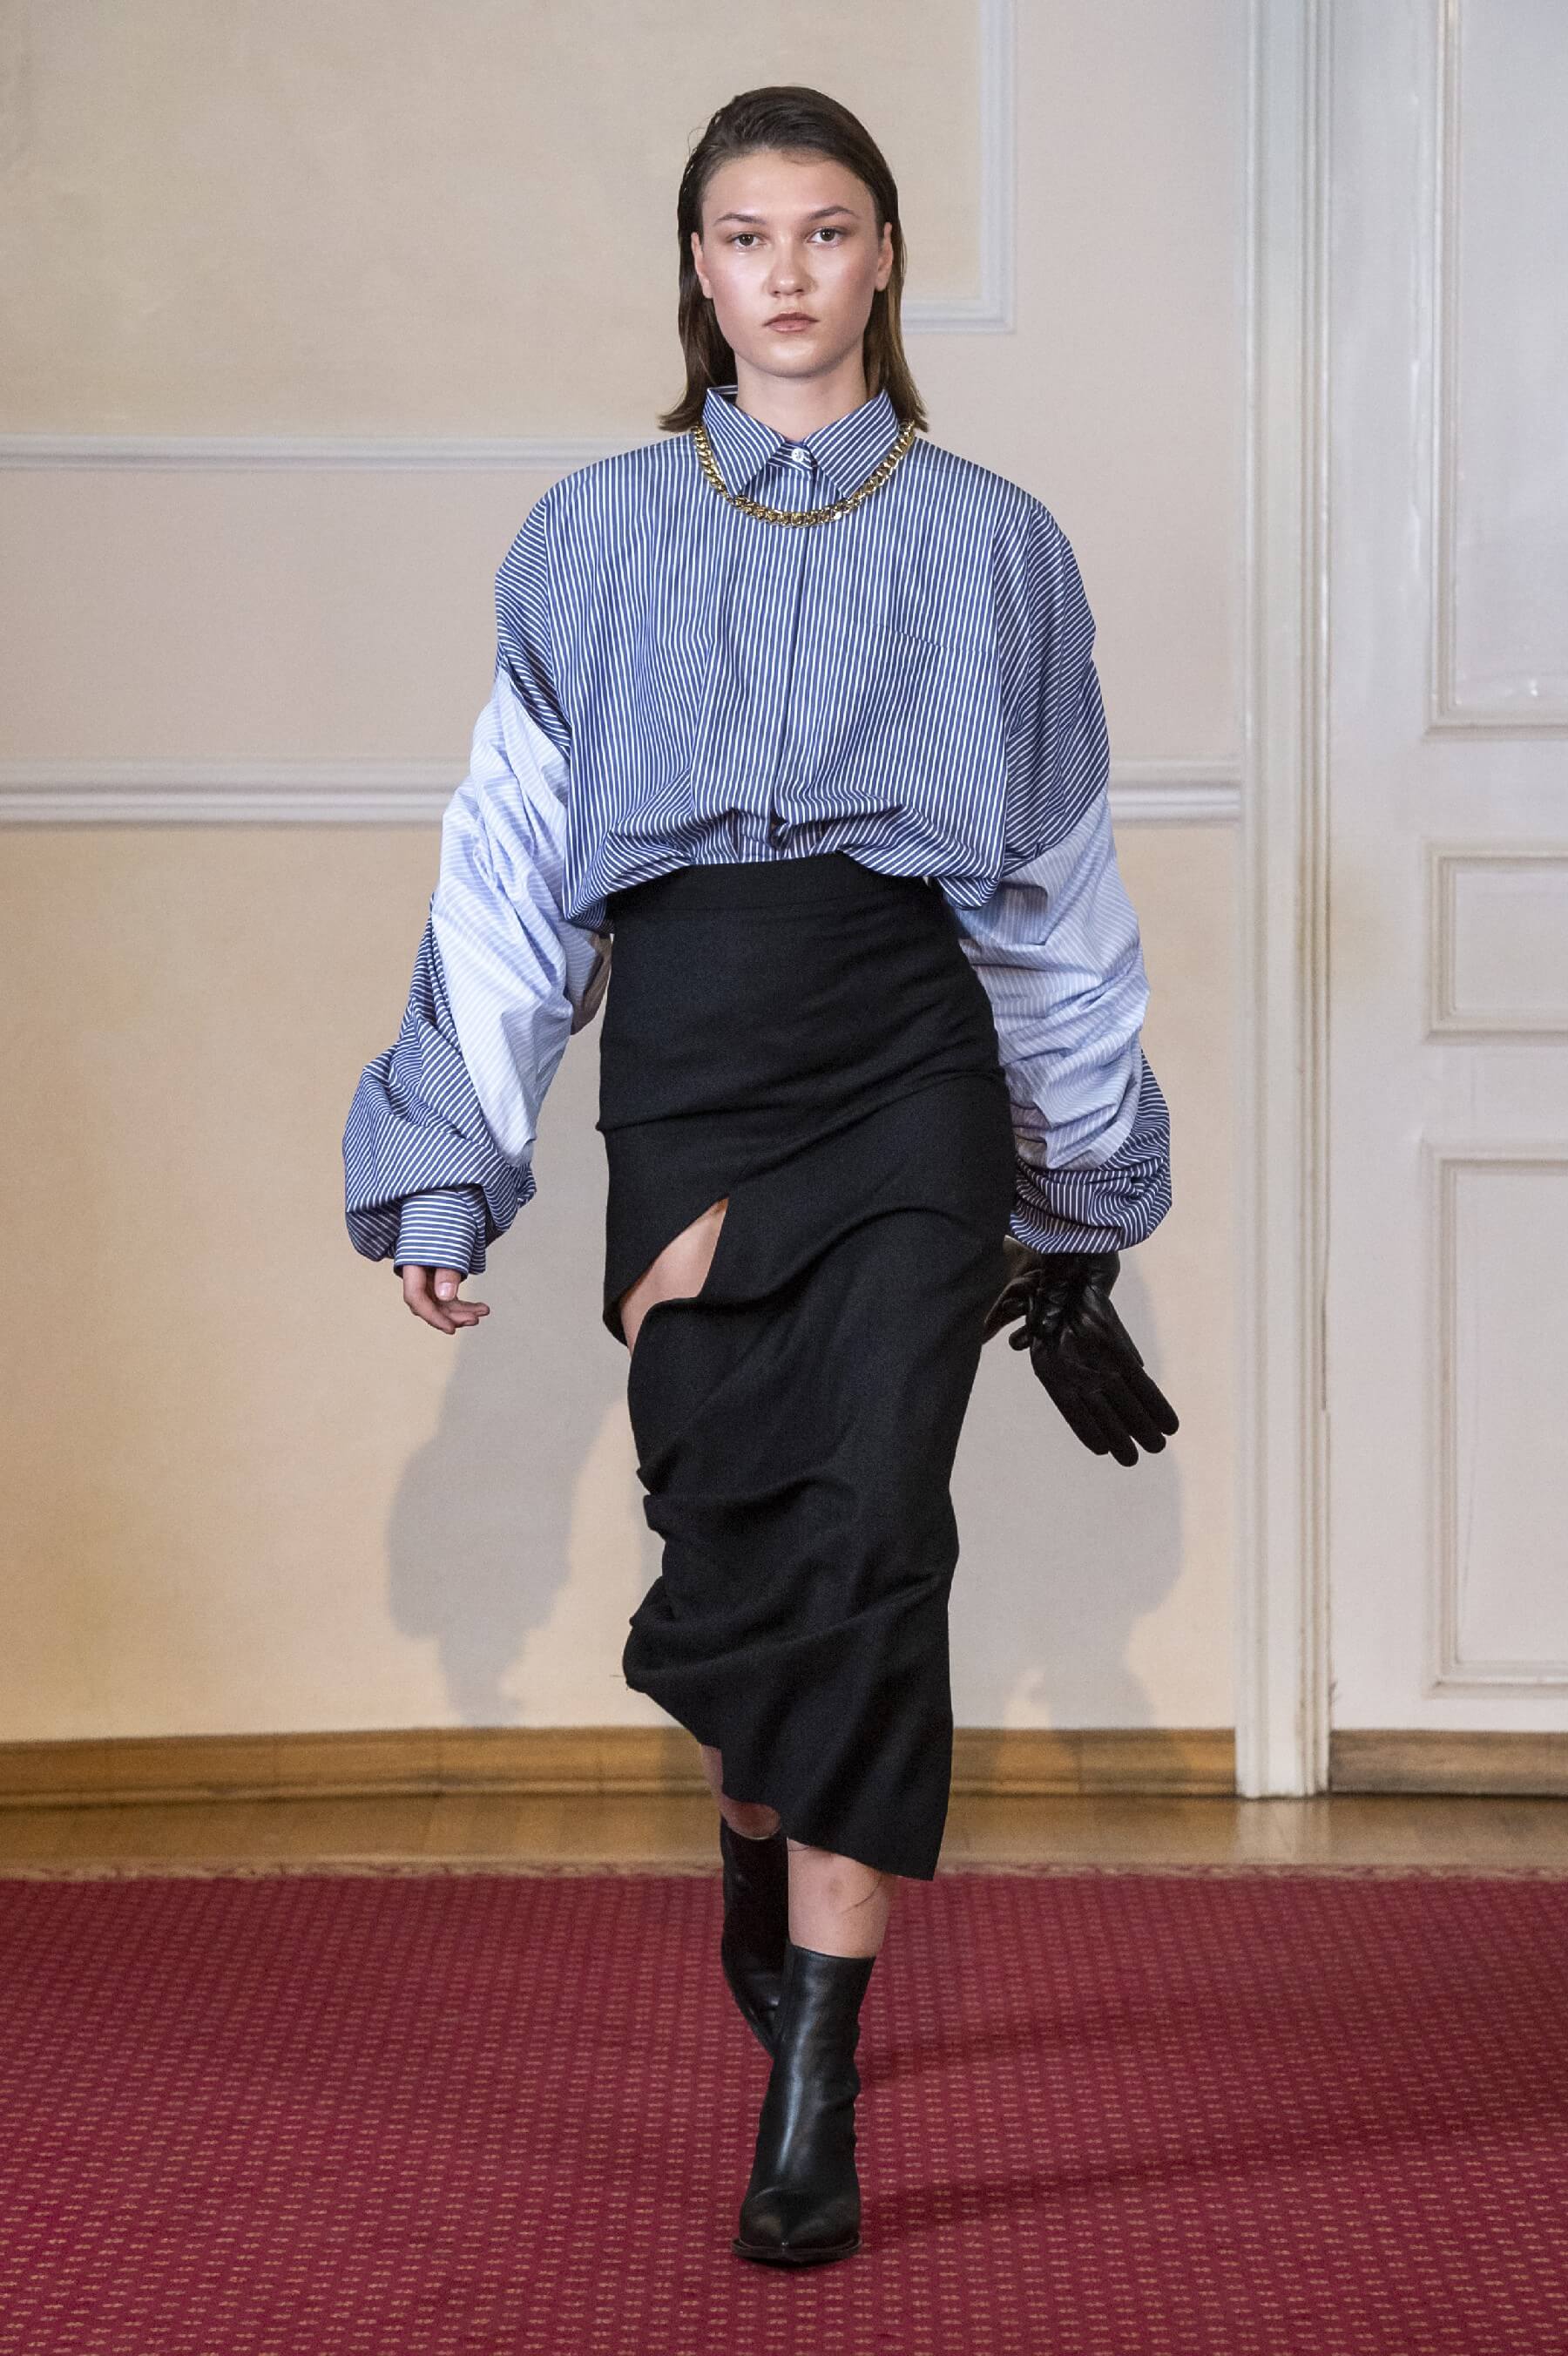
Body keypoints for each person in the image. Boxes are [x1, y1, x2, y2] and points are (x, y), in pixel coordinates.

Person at [342, 85, 1177, 2270]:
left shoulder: (998, 544)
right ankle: (756, 1821)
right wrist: (447, 1161)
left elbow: (1054, 895)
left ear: (884, 257)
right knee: (735, 1562)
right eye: (745, 234)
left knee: (880, 1539)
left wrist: (1082, 1182)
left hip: (910, 1067)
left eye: (827, 229)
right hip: (696, 1069)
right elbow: (512, 874)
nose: (787, 271)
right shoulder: (592, 532)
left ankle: (814, 2077)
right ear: (697, 271)